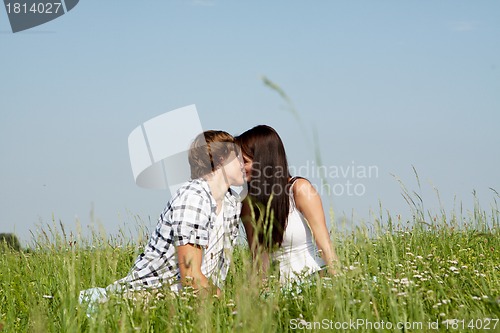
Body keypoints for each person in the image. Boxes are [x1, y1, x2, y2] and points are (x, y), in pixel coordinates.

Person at [80, 130, 245, 312]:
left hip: (194, 301)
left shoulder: (232, 203)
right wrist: (229, 306)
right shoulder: (193, 198)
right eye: (237, 156)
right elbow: (190, 276)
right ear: (221, 159)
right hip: (152, 296)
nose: (243, 163)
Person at [236, 125, 338, 285]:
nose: (239, 167)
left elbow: (325, 245)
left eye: (245, 161)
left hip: (312, 281)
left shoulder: (299, 188)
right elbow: (259, 261)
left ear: (263, 160)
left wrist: (342, 286)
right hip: (280, 291)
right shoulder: (248, 203)